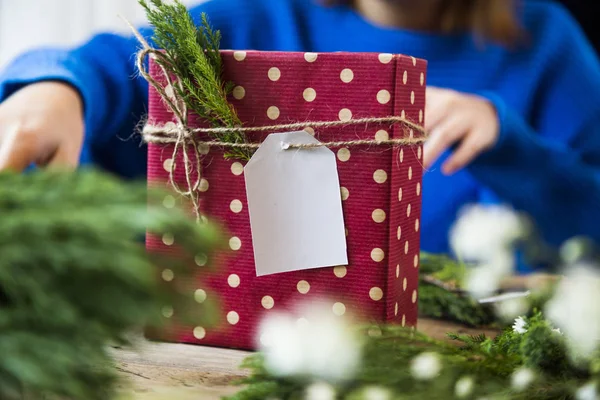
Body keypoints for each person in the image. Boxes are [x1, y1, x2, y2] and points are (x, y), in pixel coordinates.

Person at [1, 0, 599, 271]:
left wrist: (511, 147)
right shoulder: (261, 22)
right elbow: (120, 67)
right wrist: (61, 88)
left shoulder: (542, 43)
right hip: (234, 349)